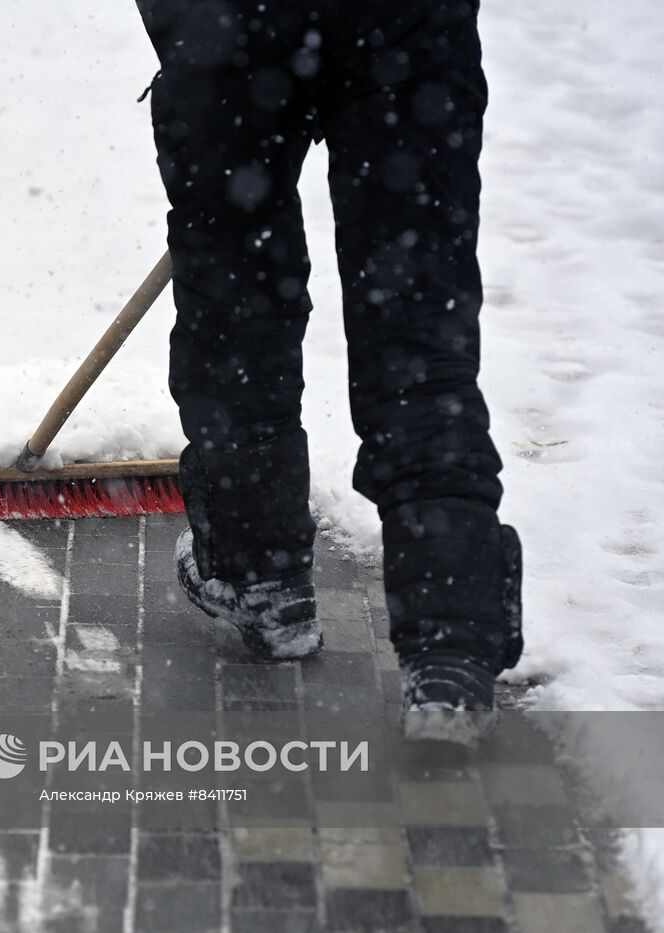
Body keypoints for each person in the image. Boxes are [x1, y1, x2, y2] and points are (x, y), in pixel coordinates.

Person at [136, 0, 522, 734]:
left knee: (237, 306)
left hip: (236, 25)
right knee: (414, 322)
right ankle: (450, 641)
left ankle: (260, 572)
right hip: (406, 29)